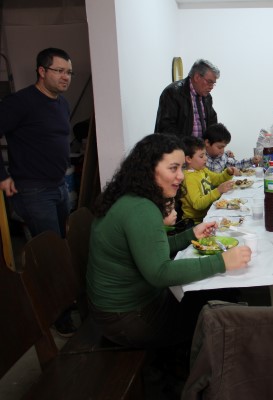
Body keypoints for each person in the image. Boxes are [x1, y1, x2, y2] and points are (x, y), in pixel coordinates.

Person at [86, 133, 250, 350]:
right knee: (221, 314)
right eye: (173, 168)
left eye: (182, 168)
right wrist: (222, 262)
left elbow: (151, 250)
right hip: (128, 318)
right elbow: (160, 273)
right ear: (148, 169)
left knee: (217, 295)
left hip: (118, 311)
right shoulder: (141, 209)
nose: (181, 176)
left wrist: (190, 235)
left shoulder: (130, 197)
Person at [0, 47, 76, 337]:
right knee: (48, 253)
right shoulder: (20, 102)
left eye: (69, 72)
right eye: (59, 71)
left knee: (62, 247)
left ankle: (64, 301)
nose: (66, 77)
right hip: (33, 189)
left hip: (59, 186)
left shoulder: (62, 104)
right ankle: (57, 315)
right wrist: (2, 176)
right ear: (41, 71)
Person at [155, 59, 219, 138]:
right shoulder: (173, 93)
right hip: (179, 145)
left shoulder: (207, 97)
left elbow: (212, 123)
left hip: (201, 146)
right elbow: (166, 129)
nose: (211, 87)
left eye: (213, 83)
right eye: (209, 82)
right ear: (197, 77)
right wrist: (189, 144)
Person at [181, 136, 236, 223]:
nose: (206, 158)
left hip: (208, 214)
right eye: (201, 156)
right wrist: (218, 191)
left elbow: (217, 179)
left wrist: (227, 173)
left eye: (205, 155)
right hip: (195, 222)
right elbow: (198, 204)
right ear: (188, 159)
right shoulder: (189, 179)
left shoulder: (202, 170)